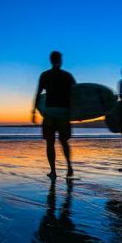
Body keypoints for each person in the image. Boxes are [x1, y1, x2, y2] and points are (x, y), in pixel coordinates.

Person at [32, 51, 76, 179]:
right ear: (60, 61)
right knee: (64, 142)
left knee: (50, 143)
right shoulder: (67, 76)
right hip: (63, 113)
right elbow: (77, 94)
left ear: (51, 60)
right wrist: (76, 113)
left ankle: (53, 171)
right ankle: (69, 167)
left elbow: (38, 94)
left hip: (49, 113)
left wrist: (33, 111)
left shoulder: (45, 75)